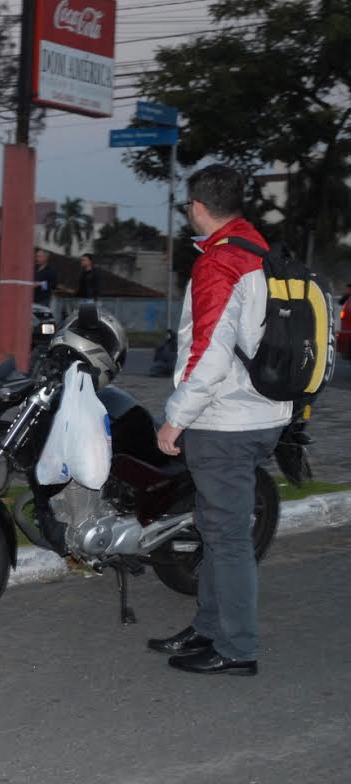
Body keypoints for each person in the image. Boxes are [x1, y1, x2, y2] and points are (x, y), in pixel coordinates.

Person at [152, 164, 291, 676]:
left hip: (226, 419)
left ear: (197, 207)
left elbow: (208, 352)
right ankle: (208, 627)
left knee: (228, 537)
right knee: (215, 527)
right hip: (262, 412)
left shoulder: (220, 262)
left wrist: (175, 418)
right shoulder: (262, 252)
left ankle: (236, 648)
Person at [33, 247, 58, 317]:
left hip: (43, 300)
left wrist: (41, 284)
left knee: (40, 317)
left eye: (39, 256)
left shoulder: (50, 271)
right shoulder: (34, 269)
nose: (37, 258)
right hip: (32, 298)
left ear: (46, 258)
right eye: (36, 256)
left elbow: (53, 285)